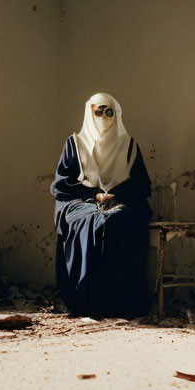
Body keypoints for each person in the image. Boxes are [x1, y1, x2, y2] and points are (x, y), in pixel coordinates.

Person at [50, 92, 152, 317]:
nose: (105, 117)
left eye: (110, 112)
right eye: (99, 111)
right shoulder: (75, 144)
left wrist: (114, 194)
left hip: (119, 201)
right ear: (90, 113)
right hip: (80, 200)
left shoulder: (128, 146)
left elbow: (142, 185)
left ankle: (119, 304)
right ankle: (85, 302)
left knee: (116, 220)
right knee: (91, 221)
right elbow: (61, 184)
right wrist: (93, 193)